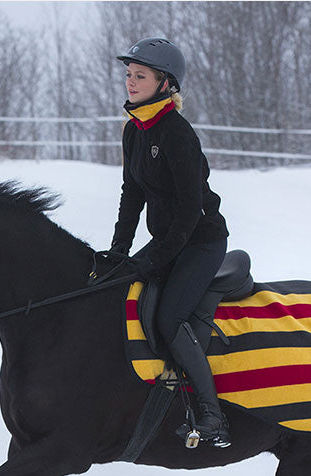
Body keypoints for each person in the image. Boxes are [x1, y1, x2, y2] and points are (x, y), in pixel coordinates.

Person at [110, 37, 231, 447]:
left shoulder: (177, 133)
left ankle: (213, 415)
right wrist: (118, 251)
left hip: (200, 240)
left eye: (140, 76)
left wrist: (158, 257)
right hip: (169, 239)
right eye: (129, 75)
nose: (130, 82)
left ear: (165, 83)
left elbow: (190, 208)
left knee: (168, 319)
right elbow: (132, 194)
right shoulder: (134, 130)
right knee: (117, 286)